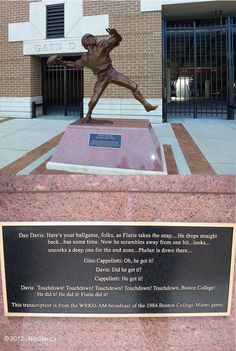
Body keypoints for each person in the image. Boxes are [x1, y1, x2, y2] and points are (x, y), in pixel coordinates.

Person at [48, 28, 158, 123]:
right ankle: (88, 114)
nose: (93, 37)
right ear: (86, 42)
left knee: (133, 85)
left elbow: (117, 40)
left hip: (111, 72)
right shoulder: (85, 58)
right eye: (90, 37)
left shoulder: (102, 45)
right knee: (94, 100)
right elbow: (74, 64)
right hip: (101, 78)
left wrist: (116, 34)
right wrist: (60, 62)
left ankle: (146, 105)